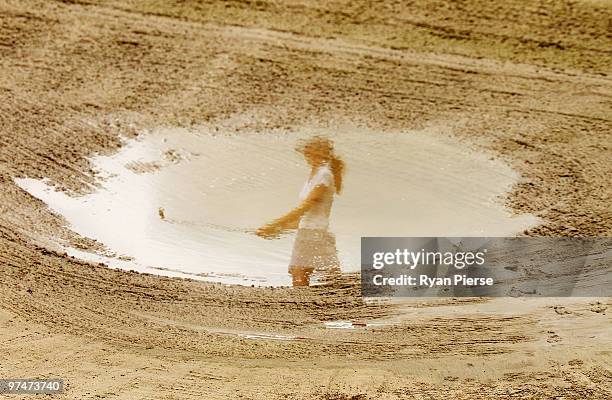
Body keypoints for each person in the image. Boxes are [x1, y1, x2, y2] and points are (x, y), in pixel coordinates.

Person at [256, 136, 345, 286]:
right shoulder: (317, 174)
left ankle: (312, 306)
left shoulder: (324, 175)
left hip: (314, 233)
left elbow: (306, 207)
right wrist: (278, 229)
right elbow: (308, 215)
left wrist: (274, 225)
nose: (309, 156)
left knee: (301, 273)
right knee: (319, 275)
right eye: (309, 153)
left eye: (314, 153)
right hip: (312, 232)